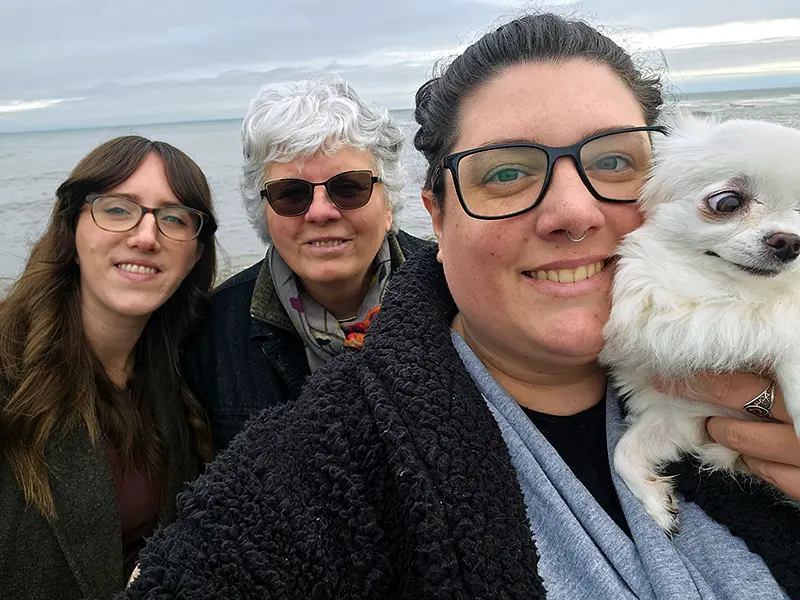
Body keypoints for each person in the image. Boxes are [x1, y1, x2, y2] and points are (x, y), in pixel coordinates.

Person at [122, 13, 800, 600]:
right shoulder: (318, 464)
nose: (571, 211)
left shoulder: (768, 353)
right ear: (437, 219)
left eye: (615, 163)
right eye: (505, 172)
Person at [0, 136, 218, 600]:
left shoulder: (184, 374)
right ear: (71, 227)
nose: (145, 236)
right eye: (118, 209)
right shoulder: (8, 373)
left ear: (194, 255)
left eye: (175, 218)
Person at [183, 75, 428, 451]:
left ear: (389, 203)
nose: (320, 212)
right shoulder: (211, 332)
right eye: (291, 194)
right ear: (263, 211)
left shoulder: (454, 294)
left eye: (349, 187)